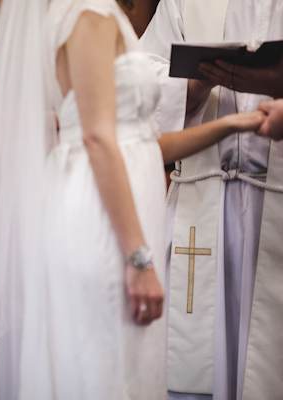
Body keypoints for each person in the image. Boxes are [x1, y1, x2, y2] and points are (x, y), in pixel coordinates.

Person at [0, 0, 265, 399]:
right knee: (106, 372)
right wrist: (139, 258)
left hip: (111, 213)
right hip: (101, 223)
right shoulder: (87, 14)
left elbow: (141, 143)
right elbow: (98, 139)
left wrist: (232, 124)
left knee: (124, 367)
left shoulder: (97, 13)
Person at [140, 0, 283, 398]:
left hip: (275, 204)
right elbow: (139, 77)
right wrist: (194, 82)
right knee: (195, 362)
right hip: (204, 204)